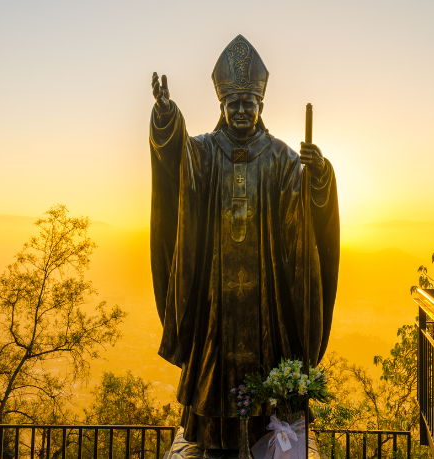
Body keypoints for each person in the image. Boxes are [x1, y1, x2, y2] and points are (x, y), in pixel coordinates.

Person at [149, 35, 339, 453]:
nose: (239, 111)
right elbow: (173, 160)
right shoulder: (204, 152)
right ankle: (214, 437)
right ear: (221, 106)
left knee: (264, 366)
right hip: (215, 296)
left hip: (265, 297)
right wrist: (166, 117)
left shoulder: (282, 158)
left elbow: (307, 207)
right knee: (214, 369)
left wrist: (319, 172)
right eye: (231, 104)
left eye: (247, 103)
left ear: (261, 107)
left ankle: (261, 436)